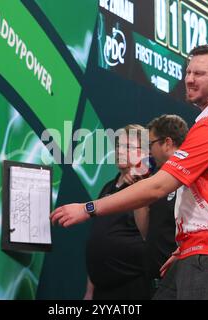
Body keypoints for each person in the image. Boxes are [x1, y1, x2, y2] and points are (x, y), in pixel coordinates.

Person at [52, 44, 208, 300]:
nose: (189, 80)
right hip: (197, 251)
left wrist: (87, 208)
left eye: (199, 74)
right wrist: (185, 247)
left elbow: (157, 188)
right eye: (188, 72)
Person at [84, 124, 150, 300]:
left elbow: (151, 238)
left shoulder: (149, 190)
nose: (120, 151)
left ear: (144, 153)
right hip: (100, 291)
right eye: (119, 146)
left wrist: (139, 181)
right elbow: (97, 240)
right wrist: (90, 290)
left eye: (128, 147)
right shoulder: (107, 187)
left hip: (132, 290)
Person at [145, 115, 188, 296]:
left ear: (167, 143)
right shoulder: (155, 179)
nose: (149, 152)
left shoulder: (190, 179)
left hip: (182, 283)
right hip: (157, 284)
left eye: (151, 144)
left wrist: (89, 209)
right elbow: (147, 233)